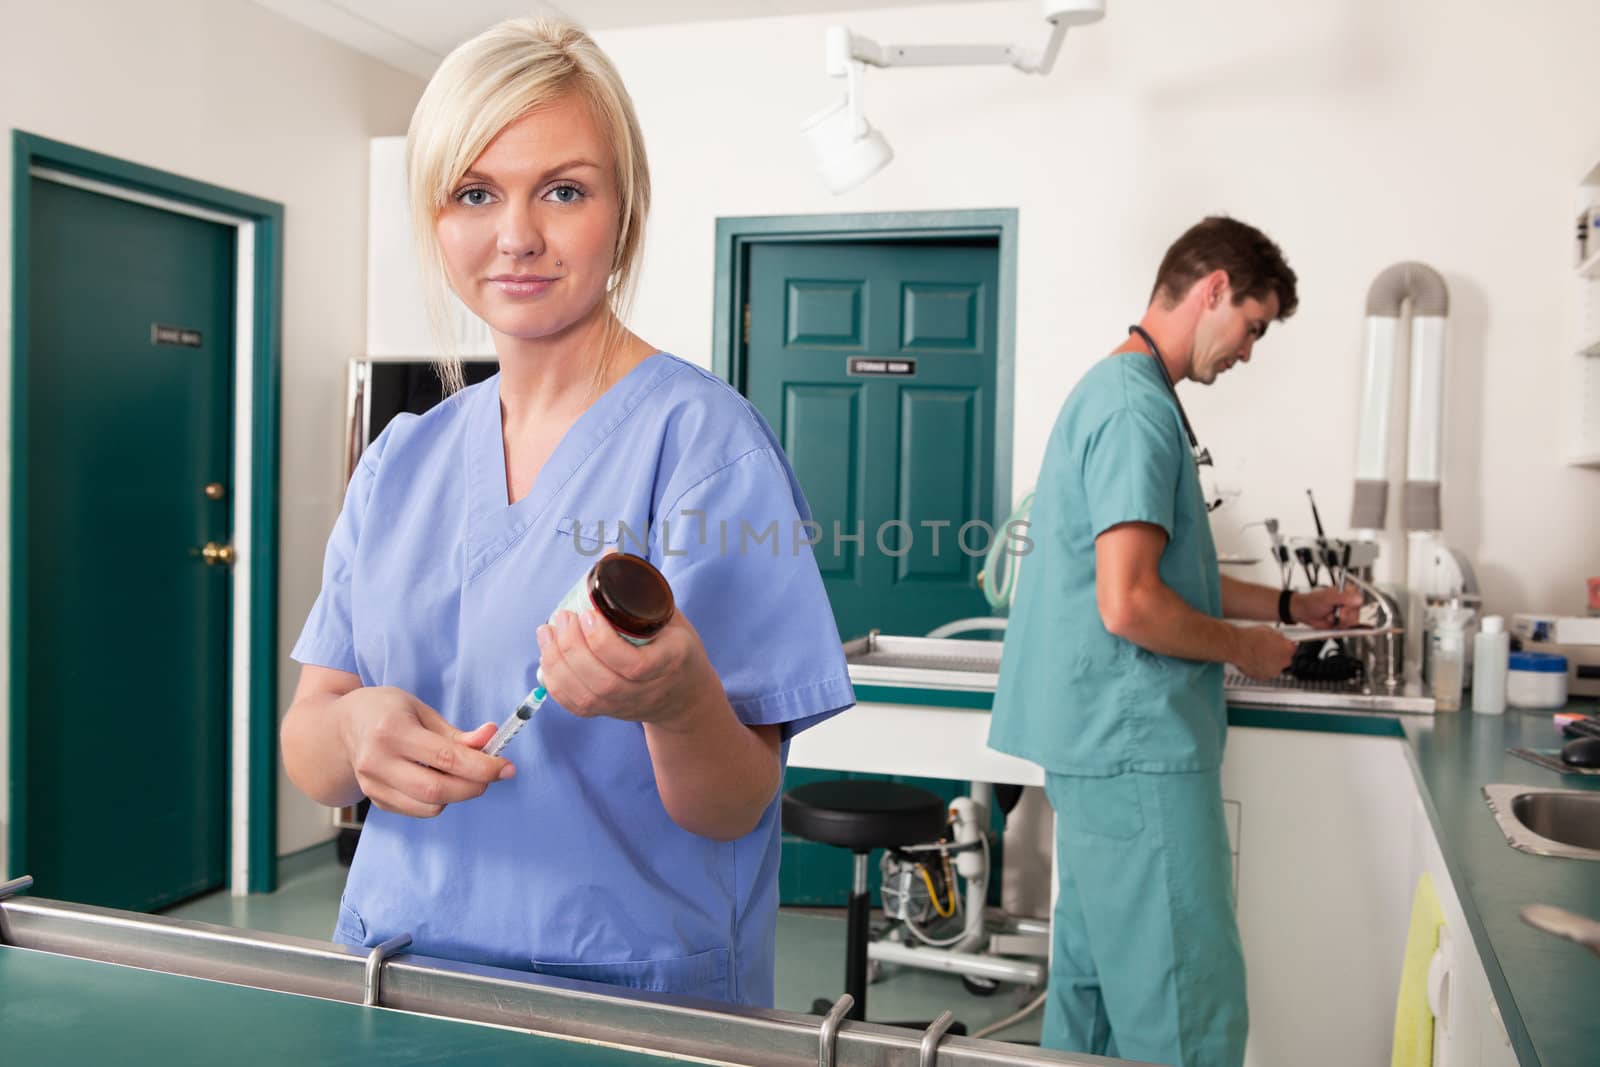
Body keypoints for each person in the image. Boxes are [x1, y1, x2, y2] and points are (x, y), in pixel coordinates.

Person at [281, 17, 853, 1009]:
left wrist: (676, 703)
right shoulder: (402, 460)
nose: (517, 235)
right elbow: (310, 744)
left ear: (623, 215)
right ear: (435, 218)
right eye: (474, 192)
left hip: (626, 998)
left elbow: (735, 802)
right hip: (393, 977)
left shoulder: (705, 446)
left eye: (564, 189)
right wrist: (358, 727)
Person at [987, 217, 1362, 1065]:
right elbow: (1130, 604)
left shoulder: (1113, 390)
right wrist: (1245, 645)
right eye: (1255, 328)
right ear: (1214, 288)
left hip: (1097, 758)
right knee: (1187, 1014)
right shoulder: (1137, 413)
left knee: (1091, 1008)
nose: (1249, 353)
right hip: (1138, 756)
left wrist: (1292, 607)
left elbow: (1166, 572)